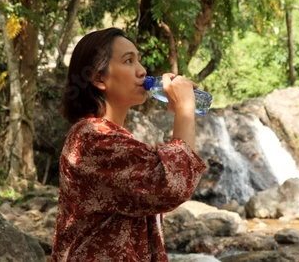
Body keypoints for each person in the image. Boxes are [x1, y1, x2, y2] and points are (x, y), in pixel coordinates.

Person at [51, 27, 207, 261]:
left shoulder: (114, 137)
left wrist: (182, 111)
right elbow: (171, 185)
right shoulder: (93, 138)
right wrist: (184, 111)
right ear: (98, 78)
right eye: (128, 61)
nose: (142, 71)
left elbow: (164, 180)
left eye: (139, 60)